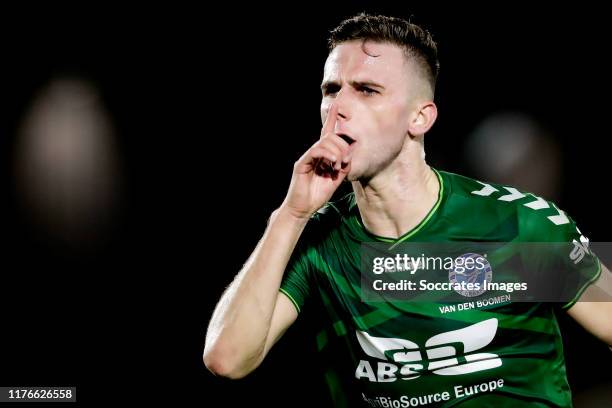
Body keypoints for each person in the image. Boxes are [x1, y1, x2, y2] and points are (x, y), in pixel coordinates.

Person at [203, 13, 612, 407]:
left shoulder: (520, 224)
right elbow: (227, 359)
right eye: (331, 89)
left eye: (366, 89)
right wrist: (290, 215)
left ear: (420, 117)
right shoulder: (317, 239)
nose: (339, 107)